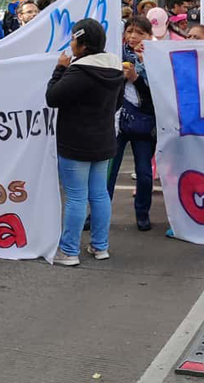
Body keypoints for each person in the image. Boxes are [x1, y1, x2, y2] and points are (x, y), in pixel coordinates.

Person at [46, 19, 125, 265]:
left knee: (77, 196)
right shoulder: (115, 68)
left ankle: (69, 251)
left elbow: (53, 97)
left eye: (72, 40)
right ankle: (100, 246)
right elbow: (118, 103)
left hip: (76, 143)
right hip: (103, 140)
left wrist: (59, 69)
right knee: (99, 194)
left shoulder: (79, 71)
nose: (70, 44)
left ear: (82, 44)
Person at [107, 17, 157, 231]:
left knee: (144, 173)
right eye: (130, 31)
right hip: (118, 122)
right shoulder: (115, 54)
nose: (133, 36)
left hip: (144, 123)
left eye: (139, 32)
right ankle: (99, 213)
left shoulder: (157, 57)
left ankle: (142, 213)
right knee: (108, 171)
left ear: (148, 35)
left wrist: (136, 77)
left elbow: (159, 95)